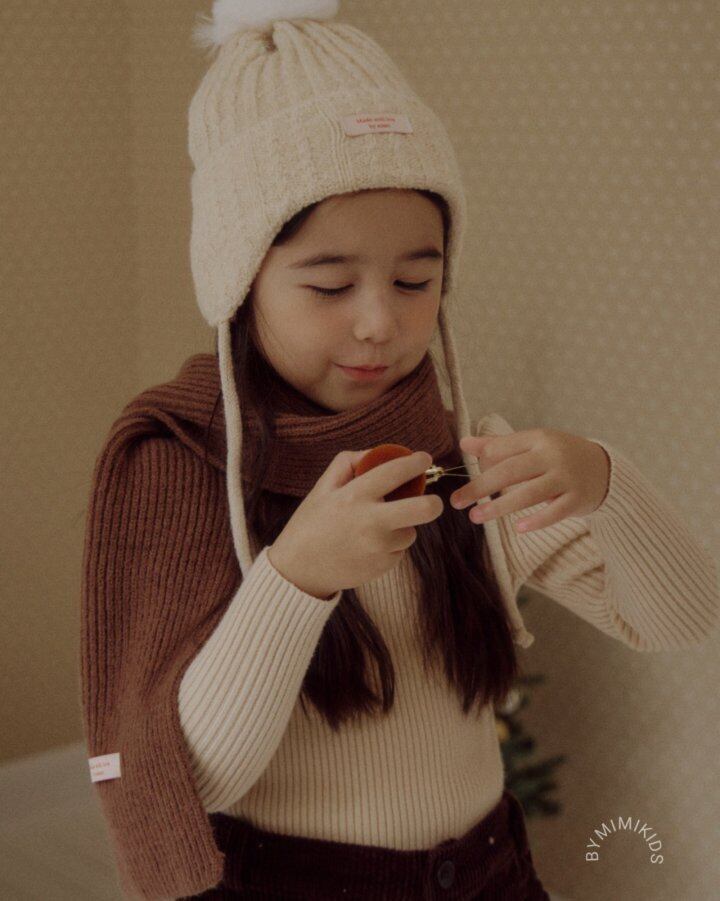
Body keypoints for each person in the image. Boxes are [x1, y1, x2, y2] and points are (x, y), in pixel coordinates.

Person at [79, 3, 719, 899]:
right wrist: (298, 577)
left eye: (416, 279)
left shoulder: (457, 458)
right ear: (240, 279)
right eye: (329, 285)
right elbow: (190, 783)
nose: (380, 321)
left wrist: (607, 481)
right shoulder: (183, 462)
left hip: (492, 872)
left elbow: (684, 620)